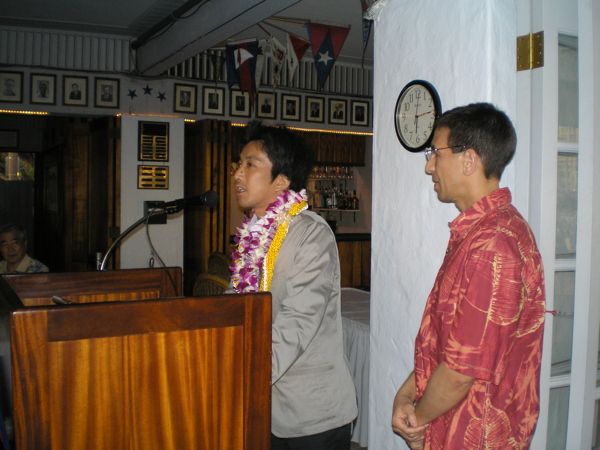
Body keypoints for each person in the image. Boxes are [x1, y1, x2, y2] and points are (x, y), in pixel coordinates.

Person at [391, 103, 545, 449]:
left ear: (469, 160)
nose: (429, 166)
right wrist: (406, 395)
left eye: (436, 153)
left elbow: (461, 373)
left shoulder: (495, 244)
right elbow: (447, 343)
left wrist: (417, 417)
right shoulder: (478, 233)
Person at [226, 121, 357, 448]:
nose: (238, 174)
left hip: (310, 415)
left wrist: (243, 377)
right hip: (263, 408)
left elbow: (297, 320)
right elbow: (235, 304)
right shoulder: (252, 236)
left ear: (281, 181)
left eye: (250, 164)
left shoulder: (310, 234)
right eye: (238, 164)